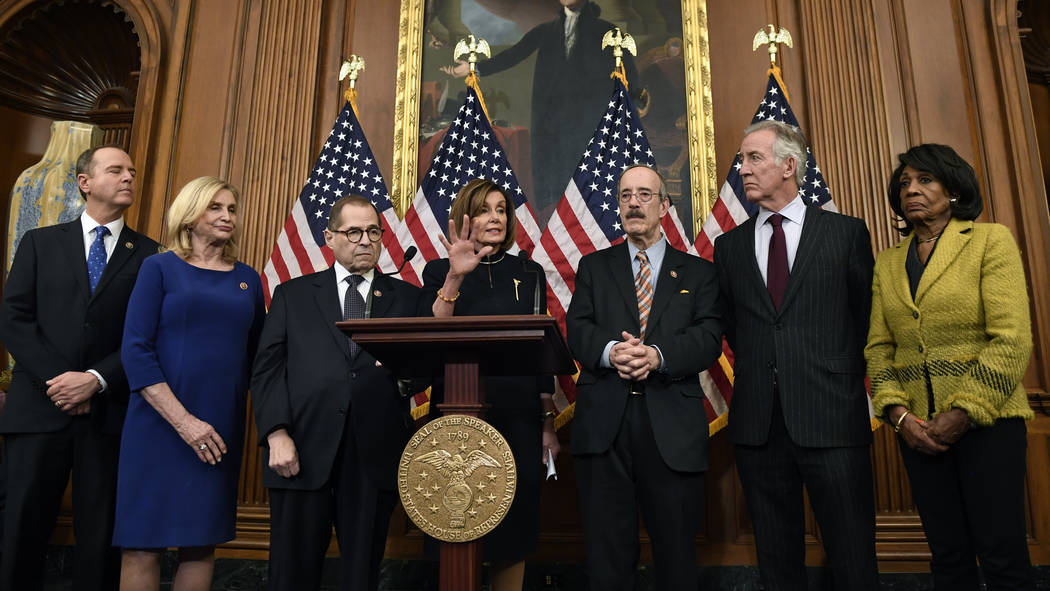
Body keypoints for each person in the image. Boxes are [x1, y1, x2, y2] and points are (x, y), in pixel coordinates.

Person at [712, 120, 879, 590]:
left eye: (753, 158)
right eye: (740, 160)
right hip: (759, 424)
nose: (741, 169)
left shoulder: (845, 234)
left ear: (789, 165)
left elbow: (867, 320)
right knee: (775, 557)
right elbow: (730, 325)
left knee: (851, 553)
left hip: (833, 418)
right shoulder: (729, 247)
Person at [866, 144, 1035, 590]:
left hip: (989, 425)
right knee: (947, 557)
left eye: (925, 180)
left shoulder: (990, 241)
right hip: (919, 433)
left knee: (1003, 559)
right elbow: (880, 349)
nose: (911, 190)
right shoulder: (887, 262)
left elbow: (1011, 338)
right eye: (904, 183)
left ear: (954, 189)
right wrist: (900, 417)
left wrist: (962, 412)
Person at [0, 144, 159, 590]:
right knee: (20, 532)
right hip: (38, 411)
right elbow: (14, 319)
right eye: (116, 170)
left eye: (132, 169)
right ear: (85, 182)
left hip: (108, 417)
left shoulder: (151, 255)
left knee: (101, 536)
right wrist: (61, 383)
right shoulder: (40, 242)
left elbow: (145, 335)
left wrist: (94, 380)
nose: (129, 176)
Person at [251, 195, 421, 591]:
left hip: (372, 455)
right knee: (291, 573)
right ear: (330, 237)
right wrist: (276, 433)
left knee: (361, 574)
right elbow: (267, 370)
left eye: (374, 232)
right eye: (354, 232)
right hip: (299, 449)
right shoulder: (293, 295)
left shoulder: (407, 299)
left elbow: (425, 368)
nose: (365, 241)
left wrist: (401, 375)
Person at [565, 163, 723, 590]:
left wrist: (656, 355)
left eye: (644, 195)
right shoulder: (594, 267)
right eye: (625, 195)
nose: (633, 203)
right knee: (607, 554)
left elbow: (708, 338)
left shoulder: (698, 272)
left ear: (664, 205)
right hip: (605, 426)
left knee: (675, 551)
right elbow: (577, 329)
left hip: (670, 425)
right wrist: (611, 351)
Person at [113, 176, 265, 590]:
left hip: (219, 429)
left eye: (232, 209)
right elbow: (135, 351)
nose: (226, 216)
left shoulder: (249, 279)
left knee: (201, 543)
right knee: (142, 544)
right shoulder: (158, 267)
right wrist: (184, 422)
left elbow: (259, 359)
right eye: (215, 207)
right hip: (158, 425)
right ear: (189, 214)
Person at [420, 178, 560, 590]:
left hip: (518, 416)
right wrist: (455, 277)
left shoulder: (528, 272)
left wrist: (548, 423)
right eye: (484, 209)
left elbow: (541, 355)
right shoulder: (438, 271)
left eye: (501, 209)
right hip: (455, 417)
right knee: (455, 518)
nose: (495, 217)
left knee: (513, 527)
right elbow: (429, 336)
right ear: (465, 217)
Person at [442, 0, 639, 213]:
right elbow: (514, 54)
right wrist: (474, 68)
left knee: (590, 193)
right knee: (556, 192)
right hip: (553, 128)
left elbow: (628, 74)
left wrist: (635, 101)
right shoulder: (547, 30)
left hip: (590, 127)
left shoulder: (607, 31)